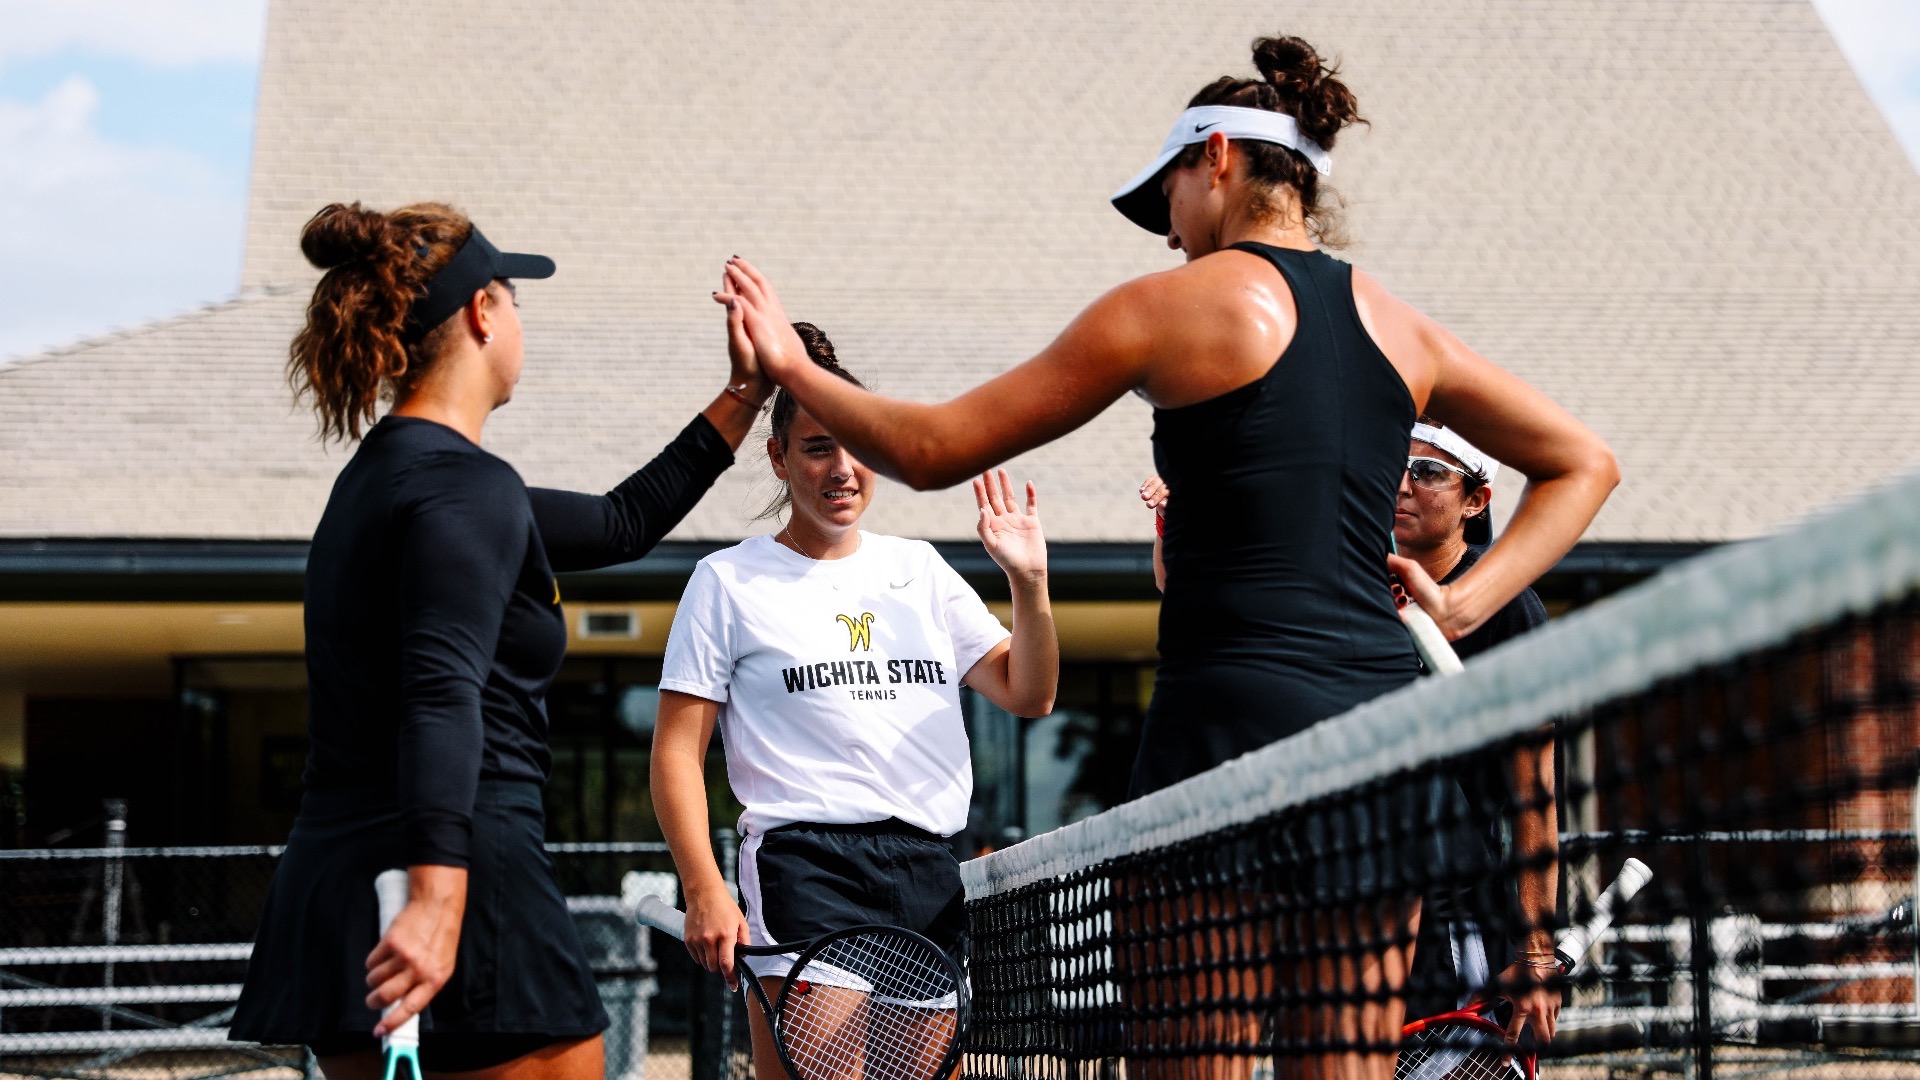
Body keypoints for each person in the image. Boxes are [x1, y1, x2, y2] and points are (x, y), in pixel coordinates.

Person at [714, 33, 1618, 1079]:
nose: (1174, 234)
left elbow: (930, 448)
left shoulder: (1166, 308)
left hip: (1221, 749)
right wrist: (1463, 607)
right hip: (1379, 745)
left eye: (1173, 199)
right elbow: (1584, 463)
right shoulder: (1403, 326)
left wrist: (787, 363)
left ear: (1218, 159)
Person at [229, 202, 773, 1080]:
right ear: (484, 312)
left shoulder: (382, 483)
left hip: (338, 881)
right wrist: (439, 898)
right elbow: (440, 691)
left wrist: (748, 391)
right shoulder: (462, 490)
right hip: (456, 879)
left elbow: (619, 522)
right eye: (514, 299)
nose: (521, 321)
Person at [650, 324, 1058, 1080]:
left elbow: (1029, 693)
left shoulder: (922, 570)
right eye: (817, 449)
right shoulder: (726, 582)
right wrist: (704, 885)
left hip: (928, 871)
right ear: (779, 457)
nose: (843, 469)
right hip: (806, 868)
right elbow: (676, 751)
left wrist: (1029, 584)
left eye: (859, 448)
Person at [1391, 418, 1560, 1045]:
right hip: (1358, 914)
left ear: (1476, 500)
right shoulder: (1355, 596)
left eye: (1428, 472)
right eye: (1396, 467)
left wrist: (1535, 952)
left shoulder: (1508, 608)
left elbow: (1532, 792)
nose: (1403, 485)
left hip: (1462, 921)